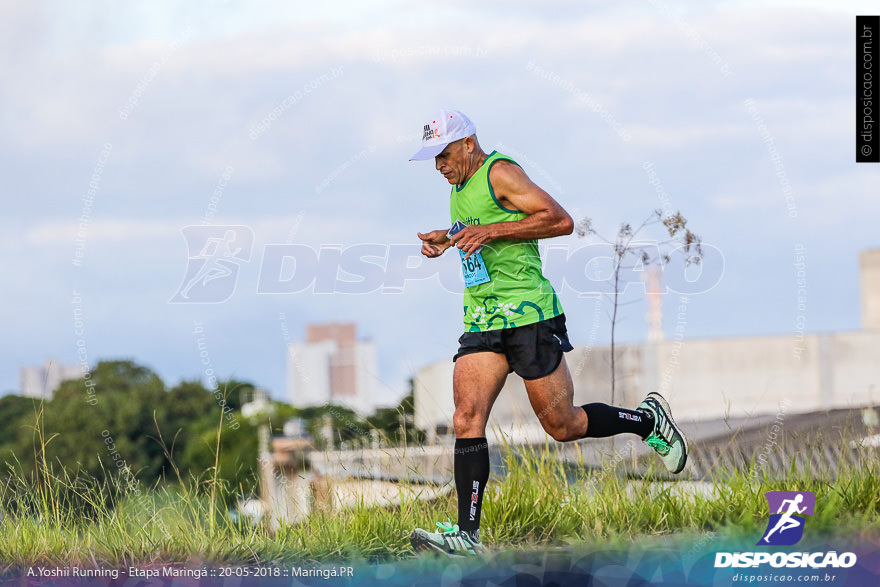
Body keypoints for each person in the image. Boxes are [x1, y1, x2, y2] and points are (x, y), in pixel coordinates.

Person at [407, 109, 688, 557]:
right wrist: (451, 236)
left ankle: (648, 421)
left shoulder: (500, 172)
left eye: (443, 155)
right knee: (466, 418)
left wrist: (489, 230)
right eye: (432, 159)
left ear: (467, 144)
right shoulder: (459, 188)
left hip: (529, 316)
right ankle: (467, 536)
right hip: (483, 318)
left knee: (563, 424)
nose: (439, 166)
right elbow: (482, 230)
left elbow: (559, 220)